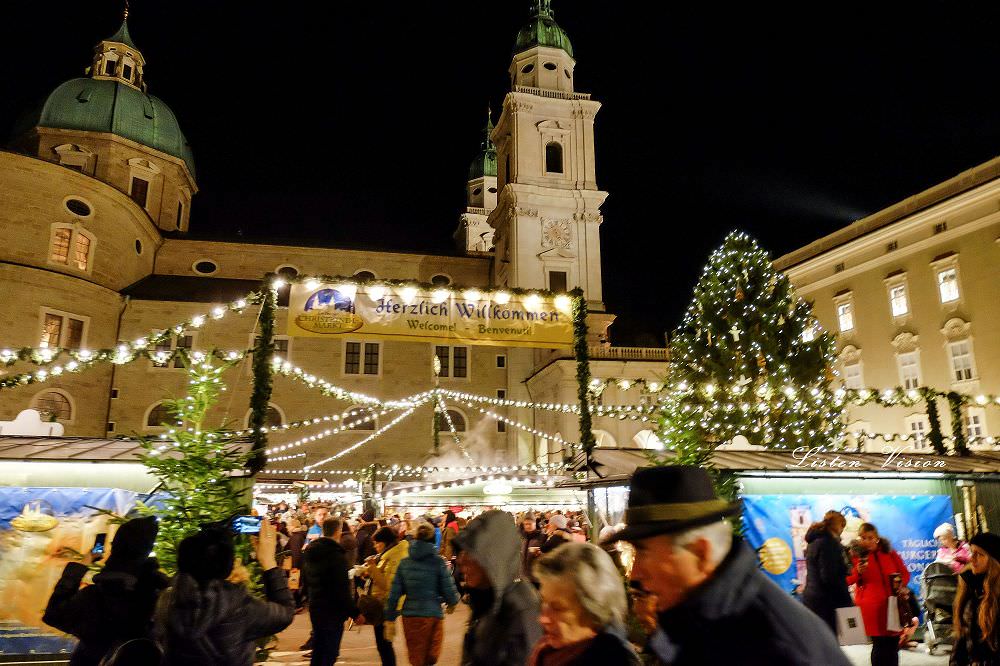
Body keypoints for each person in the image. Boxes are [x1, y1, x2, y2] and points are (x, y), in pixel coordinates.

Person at [609, 465, 849, 666]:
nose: (635, 572)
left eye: (643, 551)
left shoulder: (769, 644)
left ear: (700, 552)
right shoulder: (706, 618)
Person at [153, 520, 294, 665]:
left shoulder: (167, 600)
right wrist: (269, 562)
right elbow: (286, 612)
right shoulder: (238, 606)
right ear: (227, 565)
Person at [43, 516, 168, 666]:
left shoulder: (95, 597)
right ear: (147, 551)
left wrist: (84, 563)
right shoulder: (161, 597)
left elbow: (54, 614)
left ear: (115, 546)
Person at [528, 542, 640, 665]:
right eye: (543, 602)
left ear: (595, 613)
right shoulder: (546, 652)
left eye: (558, 608)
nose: (543, 619)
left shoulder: (616, 660)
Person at [454, 509, 542, 665]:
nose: (461, 561)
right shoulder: (488, 597)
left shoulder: (521, 607)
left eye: (470, 553)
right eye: (461, 552)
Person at [385, 522, 461, 665]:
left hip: (410, 616)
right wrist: (452, 602)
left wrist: (390, 618)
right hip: (433, 615)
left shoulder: (405, 563)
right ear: (432, 539)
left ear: (414, 539)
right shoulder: (438, 562)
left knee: (416, 656)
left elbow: (394, 593)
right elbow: (447, 585)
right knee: (431, 657)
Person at [303, 517, 365, 666]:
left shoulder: (311, 552)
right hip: (333, 612)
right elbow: (342, 590)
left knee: (318, 650)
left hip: (316, 607)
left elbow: (305, 580)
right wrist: (355, 613)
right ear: (338, 531)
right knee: (329, 653)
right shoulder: (337, 556)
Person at [847, 522, 909, 666]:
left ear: (877, 538)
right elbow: (847, 580)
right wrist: (858, 572)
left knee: (893, 644)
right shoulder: (854, 556)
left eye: (870, 538)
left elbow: (904, 573)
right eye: (863, 538)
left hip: (892, 604)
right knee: (879, 644)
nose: (866, 541)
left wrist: (901, 585)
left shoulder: (889, 553)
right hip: (871, 607)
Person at [360, 526, 410, 666]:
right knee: (383, 643)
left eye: (378, 543)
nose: (375, 546)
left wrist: (372, 566)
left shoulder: (395, 556)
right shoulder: (389, 553)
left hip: (387, 604)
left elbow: (387, 585)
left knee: (384, 644)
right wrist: (369, 571)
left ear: (387, 542)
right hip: (383, 602)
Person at [801, 510, 853, 633]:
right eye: (842, 526)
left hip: (813, 599)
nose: (842, 530)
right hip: (826, 602)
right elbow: (829, 577)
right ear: (837, 525)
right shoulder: (829, 543)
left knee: (818, 639)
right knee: (829, 639)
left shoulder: (814, 542)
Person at [952, 532, 1000, 665]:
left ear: (993, 560)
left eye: (979, 554)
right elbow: (961, 636)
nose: (972, 558)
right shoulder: (969, 585)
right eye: (971, 552)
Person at [519, 513, 546, 582]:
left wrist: (541, 554)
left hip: (537, 576)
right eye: (526, 524)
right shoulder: (522, 537)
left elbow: (547, 553)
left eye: (530, 524)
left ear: (535, 523)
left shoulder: (542, 537)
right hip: (523, 575)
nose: (528, 526)